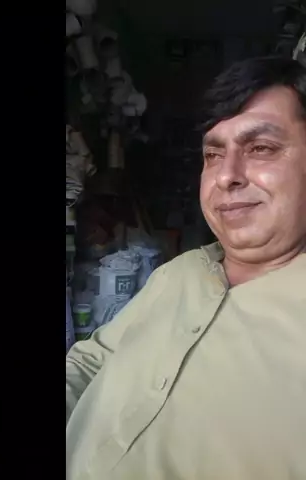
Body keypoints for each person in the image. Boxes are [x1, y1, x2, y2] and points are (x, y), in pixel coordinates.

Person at [66, 56, 306, 480]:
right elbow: (93, 359)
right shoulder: (178, 272)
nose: (226, 176)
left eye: (261, 148)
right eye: (213, 154)